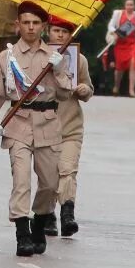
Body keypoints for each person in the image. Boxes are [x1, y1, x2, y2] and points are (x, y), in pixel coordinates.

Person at [0, 2, 67, 256]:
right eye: (26, 22)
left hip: (48, 122)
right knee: (21, 180)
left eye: (36, 23)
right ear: (18, 25)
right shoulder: (7, 57)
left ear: (43, 26)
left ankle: (39, 222)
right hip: (17, 122)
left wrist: (60, 69)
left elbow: (65, 93)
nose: (30, 27)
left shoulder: (55, 56)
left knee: (50, 183)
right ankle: (22, 232)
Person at [47, 14, 94, 238]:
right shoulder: (39, 57)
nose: (60, 35)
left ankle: (67, 214)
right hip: (43, 128)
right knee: (48, 176)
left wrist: (84, 90)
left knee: (68, 171)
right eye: (56, 31)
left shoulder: (79, 60)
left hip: (70, 127)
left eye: (65, 32)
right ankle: (46, 215)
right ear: (49, 31)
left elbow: (87, 88)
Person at [102, 0, 135, 97]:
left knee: (134, 64)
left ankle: (131, 90)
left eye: (131, 5)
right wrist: (115, 32)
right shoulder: (118, 14)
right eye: (128, 5)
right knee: (119, 68)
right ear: (125, 6)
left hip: (134, 43)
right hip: (120, 44)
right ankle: (116, 86)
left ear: (134, 6)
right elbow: (110, 26)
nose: (129, 7)